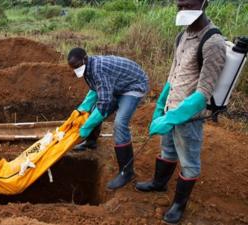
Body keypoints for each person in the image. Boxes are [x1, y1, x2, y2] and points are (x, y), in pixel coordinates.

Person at [135, 0, 226, 223]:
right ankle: (159, 184)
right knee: (167, 150)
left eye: (188, 4)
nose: (183, 10)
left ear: (205, 3)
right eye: (180, 5)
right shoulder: (183, 36)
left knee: (189, 162)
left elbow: (204, 92)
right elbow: (173, 76)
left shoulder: (213, 42)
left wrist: (174, 117)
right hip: (170, 108)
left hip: (189, 118)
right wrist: (160, 106)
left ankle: (178, 205)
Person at [67, 48, 149, 190]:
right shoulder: (88, 68)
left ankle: (126, 172)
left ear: (85, 58)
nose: (76, 69)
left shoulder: (99, 69)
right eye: (73, 68)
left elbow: (104, 103)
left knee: (120, 123)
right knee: (93, 111)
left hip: (133, 86)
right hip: (117, 85)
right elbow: (95, 91)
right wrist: (81, 109)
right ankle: (91, 142)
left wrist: (86, 126)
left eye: (77, 66)